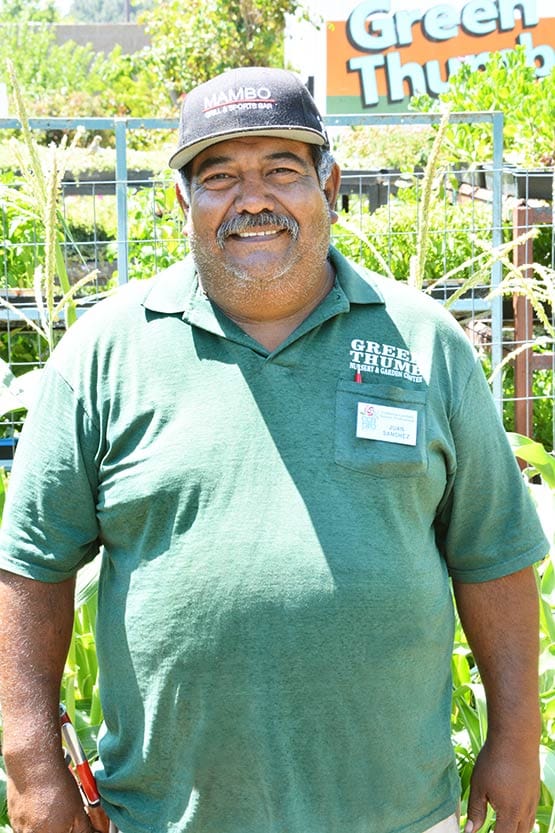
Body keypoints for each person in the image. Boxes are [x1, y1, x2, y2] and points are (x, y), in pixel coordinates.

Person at [0, 66, 548, 833]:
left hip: (394, 813)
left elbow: (492, 552)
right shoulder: (104, 353)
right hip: (167, 815)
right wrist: (32, 761)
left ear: (330, 183)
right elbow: (30, 562)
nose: (252, 198)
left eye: (282, 170)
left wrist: (515, 739)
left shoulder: (425, 343)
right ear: (182, 201)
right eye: (219, 176)